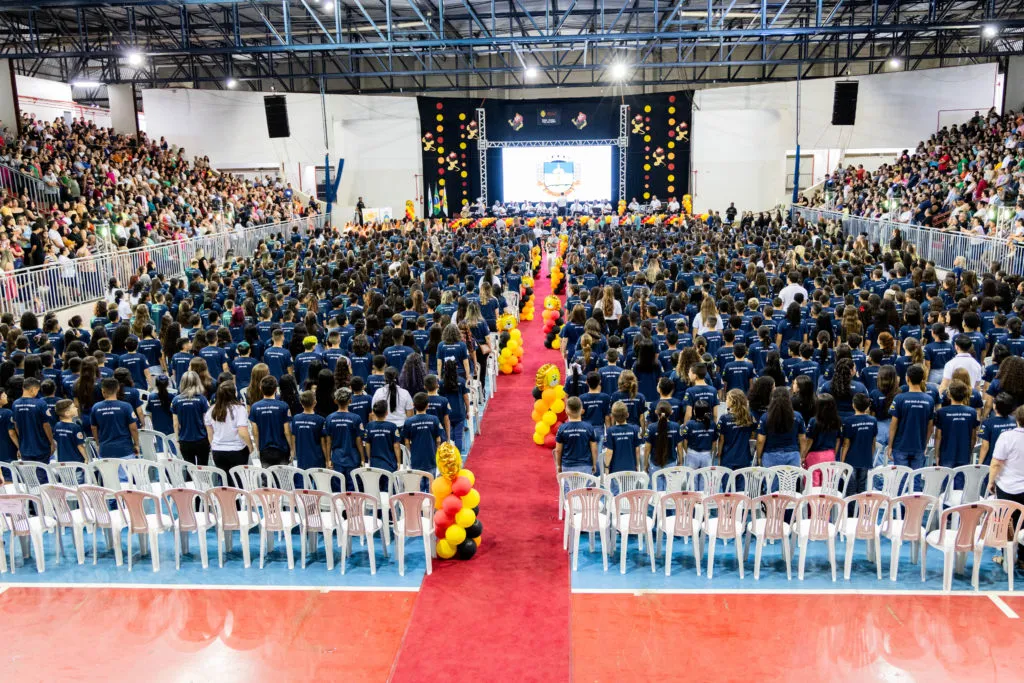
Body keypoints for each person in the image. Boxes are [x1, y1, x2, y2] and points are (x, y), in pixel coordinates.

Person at [986, 406, 1024, 570]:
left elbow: (996, 463)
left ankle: (1007, 558)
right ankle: (1023, 559)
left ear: (1017, 419)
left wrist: (991, 482)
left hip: (1007, 487)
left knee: (1007, 523)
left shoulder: (1007, 437)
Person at [887, 364, 935, 470]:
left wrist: (890, 445)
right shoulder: (929, 400)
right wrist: (925, 444)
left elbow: (893, 425)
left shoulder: (899, 398)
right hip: (918, 446)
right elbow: (930, 427)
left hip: (900, 446)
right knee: (916, 481)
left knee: (902, 480)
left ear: (907, 378)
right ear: (923, 379)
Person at [204, 381, 253, 472]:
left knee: (224, 482)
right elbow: (243, 432)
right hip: (237, 451)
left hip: (218, 451)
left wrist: (214, 446)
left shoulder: (211, 410)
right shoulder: (239, 409)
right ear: (234, 393)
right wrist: (250, 446)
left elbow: (210, 434)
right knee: (238, 482)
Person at [932, 380, 979, 468]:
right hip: (964, 454)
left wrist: (937, 454)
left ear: (949, 395)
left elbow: (938, 436)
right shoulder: (972, 412)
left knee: (946, 480)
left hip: (946, 454)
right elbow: (973, 437)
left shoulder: (942, 412)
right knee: (960, 480)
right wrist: (969, 452)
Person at [90, 377, 140, 458]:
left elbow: (93, 428)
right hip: (125, 451)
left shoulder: (96, 407)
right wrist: (137, 444)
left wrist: (98, 444)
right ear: (118, 389)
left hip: (105, 451)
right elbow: (133, 428)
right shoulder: (126, 406)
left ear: (103, 390)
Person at [249, 375, 293, 467]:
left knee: (267, 479)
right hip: (282, 449)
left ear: (260, 388)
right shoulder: (283, 406)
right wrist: (292, 448)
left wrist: (258, 448)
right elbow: (287, 431)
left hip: (265, 449)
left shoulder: (255, 407)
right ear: (276, 389)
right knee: (283, 479)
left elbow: (255, 431)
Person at [326, 387, 365, 490]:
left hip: (337, 459)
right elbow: (359, 441)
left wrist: (328, 459)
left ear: (335, 401)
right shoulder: (356, 418)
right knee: (353, 491)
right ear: (350, 401)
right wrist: (363, 458)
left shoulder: (330, 418)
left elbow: (328, 441)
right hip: (353, 459)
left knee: (338, 492)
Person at [755, 387, 804, 467]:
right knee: (791, 480)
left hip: (770, 456)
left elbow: (760, 440)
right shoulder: (797, 416)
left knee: (771, 480)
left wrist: (759, 457)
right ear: (788, 399)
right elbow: (803, 438)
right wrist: (801, 456)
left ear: (772, 399)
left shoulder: (765, 417)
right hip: (792, 456)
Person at [10, 377, 54, 465]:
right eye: (37, 390)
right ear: (33, 389)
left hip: (25, 448)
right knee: (42, 475)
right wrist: (51, 442)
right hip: (41, 447)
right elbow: (46, 425)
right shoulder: (41, 403)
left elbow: (16, 425)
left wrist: (23, 439)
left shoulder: (15, 404)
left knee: (29, 475)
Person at [171, 371, 212, 466]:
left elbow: (176, 424)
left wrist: (177, 440)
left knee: (189, 470)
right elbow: (207, 422)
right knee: (203, 470)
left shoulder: (176, 400)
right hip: (201, 440)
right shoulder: (202, 399)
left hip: (185, 440)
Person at [841, 393, 878, 496]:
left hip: (851, 461)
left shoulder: (849, 421)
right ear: (867, 406)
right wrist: (870, 457)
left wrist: (843, 462)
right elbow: (873, 443)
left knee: (851, 491)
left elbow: (846, 444)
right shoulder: (873, 421)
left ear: (853, 405)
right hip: (866, 460)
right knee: (861, 490)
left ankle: (851, 512)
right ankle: (860, 512)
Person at [402, 392, 444, 475]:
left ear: (413, 405)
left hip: (416, 460)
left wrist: (412, 453)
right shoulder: (434, 419)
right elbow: (438, 440)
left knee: (418, 486)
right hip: (431, 458)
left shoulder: (408, 422)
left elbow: (407, 442)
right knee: (431, 484)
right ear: (427, 406)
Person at [555, 396, 597, 475]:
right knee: (584, 487)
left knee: (570, 487)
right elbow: (594, 449)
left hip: (567, 466)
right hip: (586, 465)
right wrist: (594, 464)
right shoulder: (589, 427)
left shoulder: (562, 428)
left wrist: (558, 465)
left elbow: (558, 450)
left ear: (567, 411)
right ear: (581, 410)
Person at [291, 390, 327, 470]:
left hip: (301, 459)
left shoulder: (296, 419)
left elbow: (293, 438)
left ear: (301, 403)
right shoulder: (320, 420)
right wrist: (327, 460)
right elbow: (323, 442)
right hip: (317, 459)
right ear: (315, 402)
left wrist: (292, 453)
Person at [604, 401, 642, 474]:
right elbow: (637, 450)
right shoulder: (635, 429)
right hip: (631, 468)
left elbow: (609, 452)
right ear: (627, 415)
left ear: (613, 416)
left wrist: (606, 467)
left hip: (615, 470)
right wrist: (637, 465)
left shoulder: (610, 431)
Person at [980, 392, 1017, 466]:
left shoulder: (987, 423)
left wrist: (979, 464)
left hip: (992, 462)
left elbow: (985, 446)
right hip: (1010, 461)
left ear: (994, 406)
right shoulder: (1015, 421)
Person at [364, 399, 402, 472]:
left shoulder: (369, 426)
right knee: (390, 483)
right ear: (387, 413)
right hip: (390, 464)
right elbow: (396, 445)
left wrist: (369, 459)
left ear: (374, 413)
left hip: (375, 465)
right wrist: (399, 462)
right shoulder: (392, 426)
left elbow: (367, 444)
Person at [680, 399, 716, 469]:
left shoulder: (689, 424)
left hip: (692, 454)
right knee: (705, 478)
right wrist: (710, 453)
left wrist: (688, 453)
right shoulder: (712, 424)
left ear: (694, 412)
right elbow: (714, 442)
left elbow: (685, 441)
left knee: (692, 478)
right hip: (707, 454)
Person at [52, 400, 88, 466]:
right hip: (76, 463)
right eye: (74, 407)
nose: (76, 408)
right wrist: (86, 458)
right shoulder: (76, 427)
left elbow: (56, 442)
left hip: (62, 462)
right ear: (67, 413)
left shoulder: (57, 425)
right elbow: (80, 446)